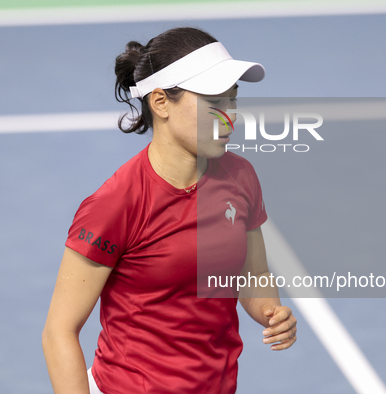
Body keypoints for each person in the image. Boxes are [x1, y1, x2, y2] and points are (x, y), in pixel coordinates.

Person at [42, 27, 297, 394]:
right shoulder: (115, 204)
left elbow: (252, 274)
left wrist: (271, 313)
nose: (229, 118)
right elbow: (59, 333)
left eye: (232, 100)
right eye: (214, 102)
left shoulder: (241, 177)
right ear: (161, 102)